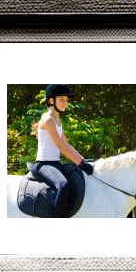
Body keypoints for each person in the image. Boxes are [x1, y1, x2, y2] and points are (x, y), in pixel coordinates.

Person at [31, 84, 94, 218]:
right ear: (51, 101)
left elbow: (66, 144)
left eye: (66, 100)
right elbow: (61, 147)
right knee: (63, 185)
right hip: (44, 164)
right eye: (62, 99)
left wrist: (82, 160)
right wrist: (81, 164)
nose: (65, 103)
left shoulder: (56, 119)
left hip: (55, 163)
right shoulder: (48, 120)